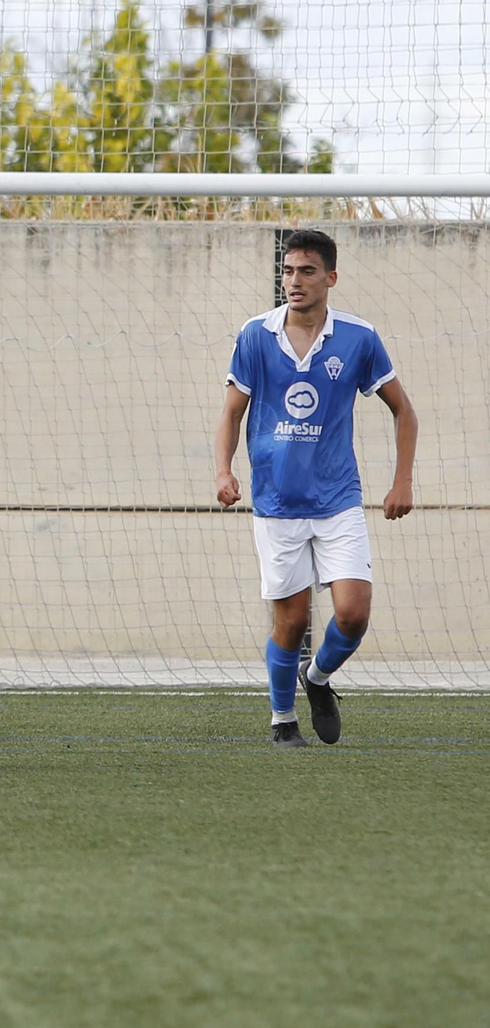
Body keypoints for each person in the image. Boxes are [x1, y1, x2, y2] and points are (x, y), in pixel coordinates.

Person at [213, 230, 419, 748]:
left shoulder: (358, 337)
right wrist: (224, 471)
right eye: (287, 271)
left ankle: (319, 678)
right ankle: (283, 719)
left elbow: (403, 410)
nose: (294, 281)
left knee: (353, 613)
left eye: (306, 271)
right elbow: (232, 412)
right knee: (292, 619)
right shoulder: (256, 335)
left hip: (337, 500)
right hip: (277, 504)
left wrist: (402, 481)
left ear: (330, 277)